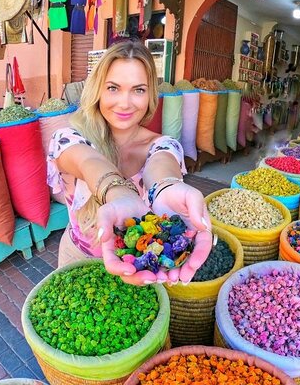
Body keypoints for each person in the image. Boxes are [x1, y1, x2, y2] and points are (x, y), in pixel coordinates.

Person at [47, 40, 212, 286]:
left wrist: (167, 187)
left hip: (137, 268)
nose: (125, 102)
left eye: (138, 90)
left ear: (150, 96)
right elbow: (88, 161)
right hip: (76, 260)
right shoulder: (70, 137)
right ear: (98, 90)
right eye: (113, 88)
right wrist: (119, 193)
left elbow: (161, 167)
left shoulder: (164, 146)